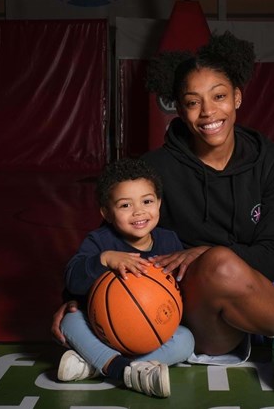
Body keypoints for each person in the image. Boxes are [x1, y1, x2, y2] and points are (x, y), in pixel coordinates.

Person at [53, 32, 274, 394]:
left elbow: (273, 257)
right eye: (193, 102)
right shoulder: (155, 169)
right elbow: (114, 239)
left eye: (219, 96)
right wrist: (81, 306)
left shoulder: (270, 160)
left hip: (270, 288)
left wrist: (204, 250)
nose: (208, 112)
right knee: (221, 263)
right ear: (178, 107)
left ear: (237, 97)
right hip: (207, 312)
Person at [56, 158, 194, 398]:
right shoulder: (99, 242)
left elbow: (180, 291)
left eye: (147, 201)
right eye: (125, 205)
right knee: (70, 321)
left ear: (159, 204)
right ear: (107, 213)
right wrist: (105, 259)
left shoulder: (169, 242)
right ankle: (125, 370)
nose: (139, 211)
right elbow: (73, 280)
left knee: (186, 340)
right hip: (103, 330)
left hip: (150, 335)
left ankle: (97, 365)